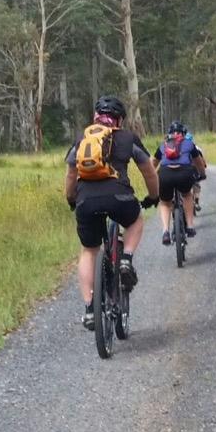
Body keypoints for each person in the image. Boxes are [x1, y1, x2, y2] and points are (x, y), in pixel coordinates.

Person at [64, 96, 160, 330]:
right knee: (135, 220)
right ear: (119, 120)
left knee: (89, 250)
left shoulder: (81, 140)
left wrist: (72, 199)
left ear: (95, 116)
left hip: (86, 200)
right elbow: (149, 171)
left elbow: (70, 176)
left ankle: (89, 309)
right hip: (120, 197)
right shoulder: (128, 138)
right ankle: (126, 259)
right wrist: (153, 196)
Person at [153, 120, 207, 244]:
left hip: (165, 174)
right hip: (184, 173)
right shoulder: (189, 143)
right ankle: (190, 226)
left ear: (169, 134)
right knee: (187, 194)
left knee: (165, 202)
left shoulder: (163, 145)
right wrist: (202, 174)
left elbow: (153, 163)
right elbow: (198, 161)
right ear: (183, 133)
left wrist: (154, 177)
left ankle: (165, 231)